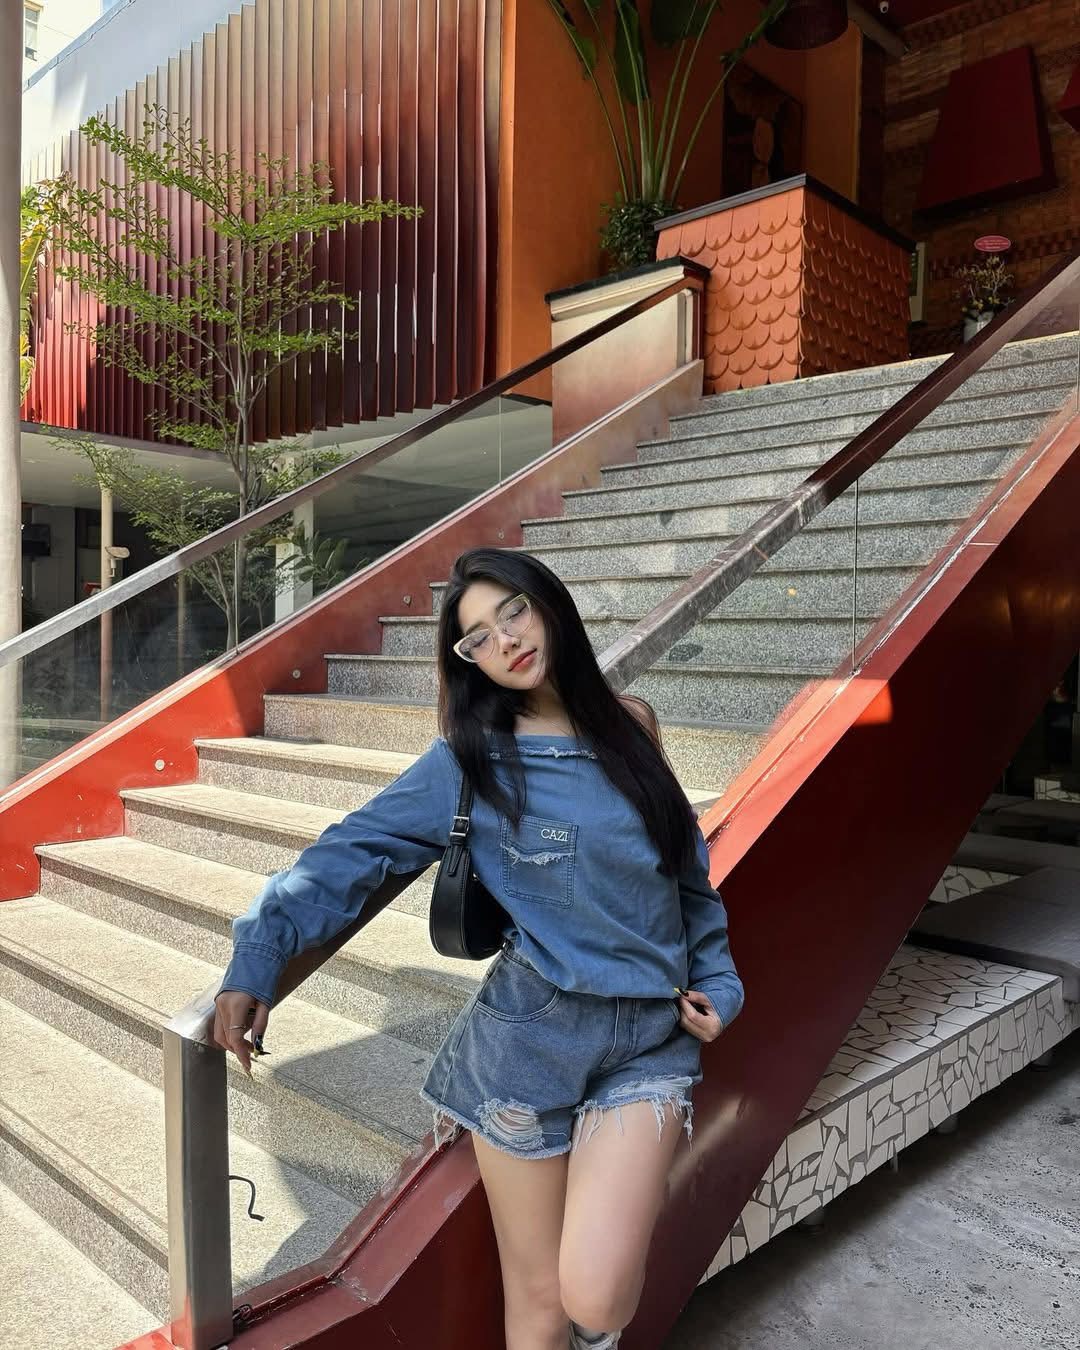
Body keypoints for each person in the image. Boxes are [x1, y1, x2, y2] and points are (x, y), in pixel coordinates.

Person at [214, 547, 744, 1350]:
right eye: (478, 637)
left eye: (514, 612)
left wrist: (721, 983)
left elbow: (688, 879)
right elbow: (350, 852)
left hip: (649, 1039)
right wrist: (258, 956)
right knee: (536, 1296)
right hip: (526, 1046)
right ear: (468, 660)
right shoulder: (470, 763)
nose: (506, 641)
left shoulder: (631, 726)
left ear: (548, 604)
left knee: (597, 1298)